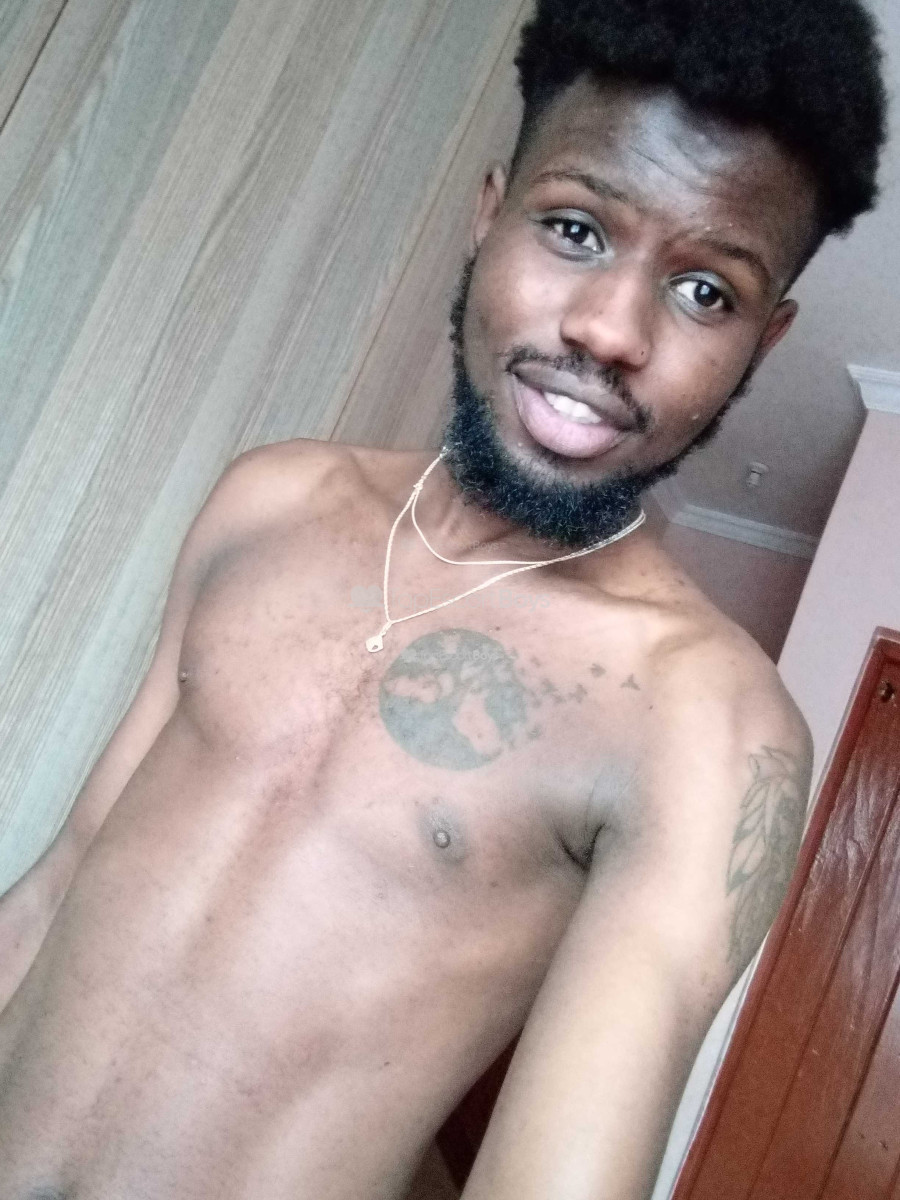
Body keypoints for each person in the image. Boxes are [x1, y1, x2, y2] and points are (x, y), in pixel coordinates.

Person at [0, 0, 888, 1196]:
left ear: (762, 345)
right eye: (575, 229)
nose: (609, 330)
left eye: (704, 294)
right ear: (489, 214)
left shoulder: (705, 724)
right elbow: (63, 881)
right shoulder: (269, 500)